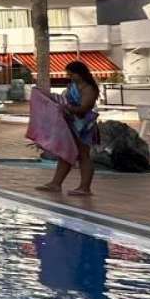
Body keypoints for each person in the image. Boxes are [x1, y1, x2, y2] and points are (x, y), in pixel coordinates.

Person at [37, 61, 101, 198]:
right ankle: (56, 183)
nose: (70, 76)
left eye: (72, 74)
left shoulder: (89, 88)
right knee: (65, 153)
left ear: (80, 73)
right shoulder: (72, 85)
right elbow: (66, 101)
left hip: (84, 125)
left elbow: (84, 108)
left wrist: (66, 108)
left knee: (84, 156)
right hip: (71, 123)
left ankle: (85, 187)